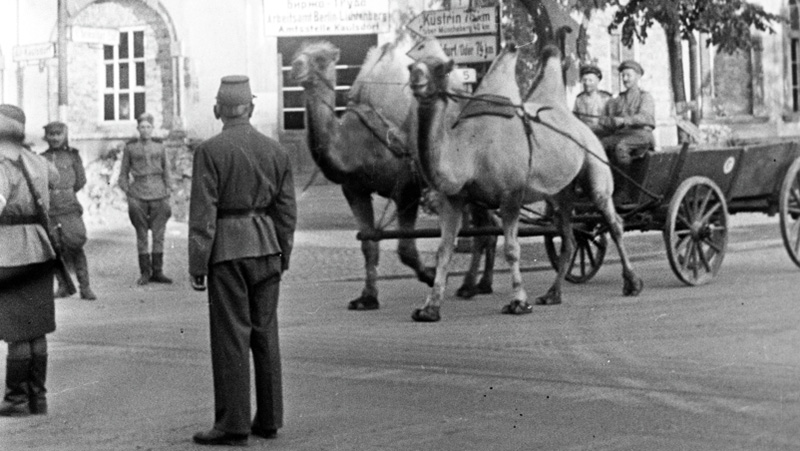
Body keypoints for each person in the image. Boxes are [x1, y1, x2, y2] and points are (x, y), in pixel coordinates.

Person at [189, 75, 297, 446]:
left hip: (228, 250)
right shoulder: (276, 150)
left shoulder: (209, 151)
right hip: (267, 246)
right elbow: (286, 211)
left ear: (218, 110)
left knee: (232, 337)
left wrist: (198, 263)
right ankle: (268, 419)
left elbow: (203, 214)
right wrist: (283, 252)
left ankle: (233, 424)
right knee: (266, 333)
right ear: (251, 108)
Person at [0, 104, 59, 416]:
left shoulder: (2, 166)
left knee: (16, 330)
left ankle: (16, 399)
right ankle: (38, 398)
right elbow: (56, 183)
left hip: (10, 251)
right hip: (40, 247)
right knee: (36, 328)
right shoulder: (38, 162)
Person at [42, 121, 96, 300]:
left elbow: (80, 180)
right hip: (51, 209)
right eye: (51, 134)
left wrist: (65, 193)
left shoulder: (73, 156)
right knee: (53, 247)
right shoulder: (42, 158)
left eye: (58, 134)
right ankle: (63, 285)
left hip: (69, 207)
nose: (55, 138)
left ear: (64, 135)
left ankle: (85, 287)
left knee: (75, 244)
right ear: (46, 137)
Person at [118, 112, 173, 285]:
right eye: (142, 127)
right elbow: (123, 174)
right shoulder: (130, 148)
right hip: (138, 194)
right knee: (141, 234)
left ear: (152, 128)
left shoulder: (160, 147)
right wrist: (129, 192)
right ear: (138, 129)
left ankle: (158, 271)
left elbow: (167, 171)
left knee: (159, 234)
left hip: (159, 193)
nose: (145, 130)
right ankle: (145, 273)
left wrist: (168, 190)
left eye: (148, 126)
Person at [599, 60, 656, 203]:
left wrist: (624, 121)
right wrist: (608, 122)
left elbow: (646, 117)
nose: (625, 79)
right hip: (621, 134)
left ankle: (624, 191)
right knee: (599, 146)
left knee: (621, 147)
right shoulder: (617, 100)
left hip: (642, 135)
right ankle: (602, 188)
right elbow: (608, 122)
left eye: (628, 76)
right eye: (623, 76)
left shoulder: (645, 97)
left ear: (637, 76)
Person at [573, 64, 612, 136]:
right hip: (583, 134)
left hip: (601, 135)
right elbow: (575, 120)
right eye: (584, 80)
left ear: (598, 81)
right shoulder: (579, 99)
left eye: (591, 80)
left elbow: (610, 122)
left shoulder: (605, 98)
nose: (587, 83)